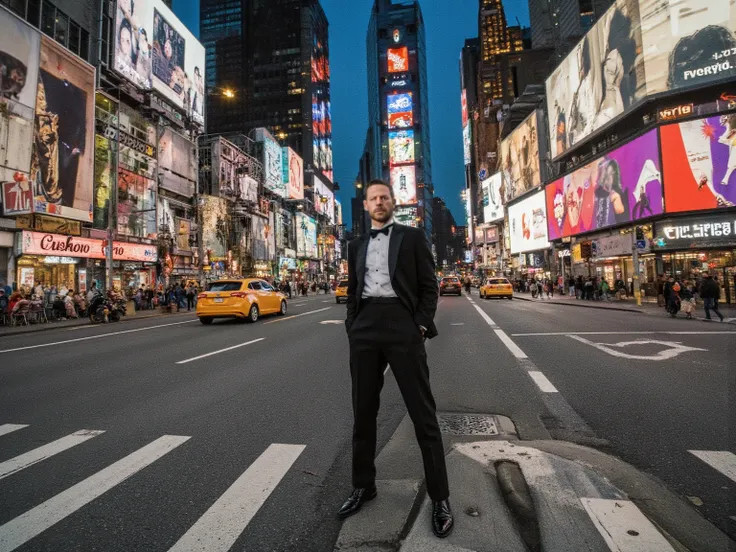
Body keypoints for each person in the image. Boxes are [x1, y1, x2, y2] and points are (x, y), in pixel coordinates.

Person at [341, 179, 453, 538]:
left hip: (403, 324)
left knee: (423, 414)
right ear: (366, 205)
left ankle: (440, 497)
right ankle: (364, 485)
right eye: (372, 198)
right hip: (365, 327)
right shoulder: (355, 245)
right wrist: (352, 324)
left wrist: (419, 325)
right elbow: (353, 289)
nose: (378, 202)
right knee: (363, 412)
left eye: (384, 197)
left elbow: (429, 286)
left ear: (393, 202)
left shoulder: (413, 237)